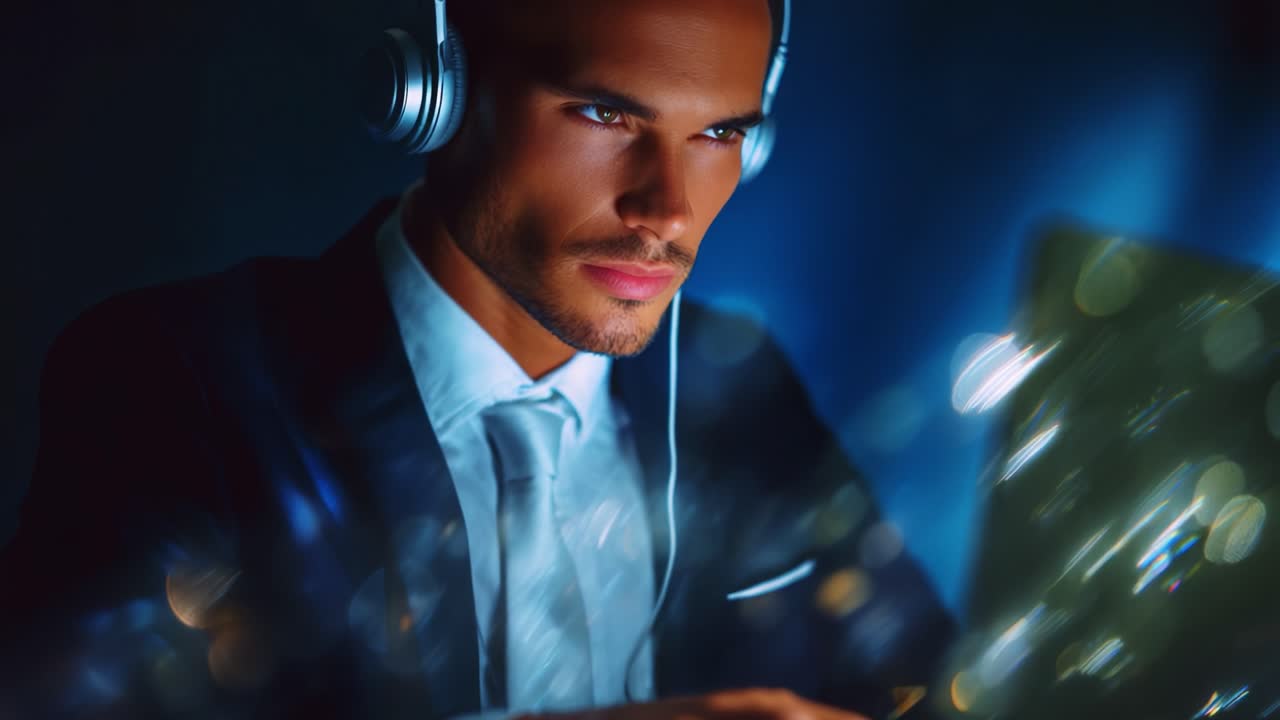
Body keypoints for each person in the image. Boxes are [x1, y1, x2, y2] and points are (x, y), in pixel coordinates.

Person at [0, 1, 955, 718]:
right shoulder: (181, 378)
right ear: (434, 95)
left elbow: (918, 671)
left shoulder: (732, 383)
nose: (667, 209)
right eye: (605, 115)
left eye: (719, 133)